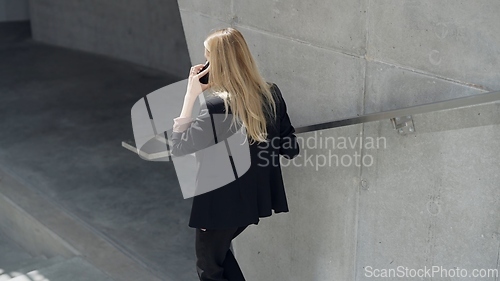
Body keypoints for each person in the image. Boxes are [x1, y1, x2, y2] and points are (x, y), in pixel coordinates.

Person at [169, 27, 300, 281]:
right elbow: (290, 148)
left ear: (216, 62)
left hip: (217, 206)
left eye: (208, 58)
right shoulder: (271, 94)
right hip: (254, 200)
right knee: (219, 260)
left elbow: (180, 147)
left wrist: (190, 95)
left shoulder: (216, 107)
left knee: (209, 268)